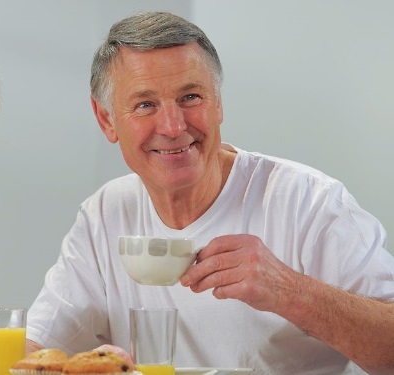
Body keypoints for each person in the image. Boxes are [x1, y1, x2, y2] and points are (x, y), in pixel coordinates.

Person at [24, 11, 394, 375]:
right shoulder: (105, 213)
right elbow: (37, 351)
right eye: (145, 105)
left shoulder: (309, 201)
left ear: (218, 103)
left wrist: (290, 292)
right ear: (106, 119)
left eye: (190, 97)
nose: (172, 126)